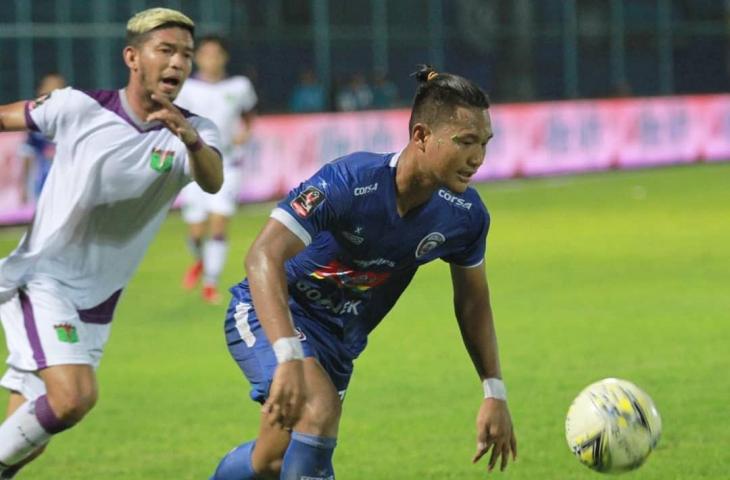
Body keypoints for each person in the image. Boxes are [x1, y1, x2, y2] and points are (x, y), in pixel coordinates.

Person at [210, 65, 517, 479]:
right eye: (465, 142)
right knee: (318, 411)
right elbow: (263, 255)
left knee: (271, 460)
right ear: (421, 136)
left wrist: (493, 390)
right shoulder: (350, 182)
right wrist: (287, 353)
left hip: (339, 344)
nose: (477, 158)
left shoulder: (465, 216)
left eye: (484, 143)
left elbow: (473, 300)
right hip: (273, 313)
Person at [0, 8, 222, 478]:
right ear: (133, 57)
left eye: (184, 54)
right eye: (165, 50)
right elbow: (5, 119)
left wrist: (190, 141)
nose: (178, 63)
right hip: (42, 281)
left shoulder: (194, 133)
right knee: (74, 397)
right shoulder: (79, 107)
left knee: (27, 439)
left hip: (98, 302)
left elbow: (213, 181)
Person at [174, 35, 258, 305]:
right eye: (206, 53)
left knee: (219, 224)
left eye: (216, 53)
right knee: (196, 232)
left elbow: (249, 114)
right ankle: (199, 260)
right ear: (197, 57)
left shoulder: (239, 85)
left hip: (228, 164)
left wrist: (245, 134)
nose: (211, 59)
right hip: (194, 166)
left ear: (224, 57)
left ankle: (210, 283)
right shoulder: (186, 87)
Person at [17, 73, 66, 204]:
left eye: (57, 93)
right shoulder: (35, 128)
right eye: (47, 94)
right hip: (44, 189)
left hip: (68, 188)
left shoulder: (72, 123)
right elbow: (27, 156)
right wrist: (24, 189)